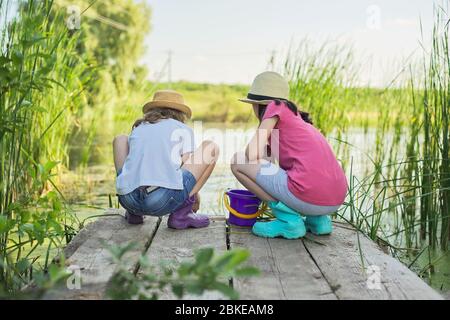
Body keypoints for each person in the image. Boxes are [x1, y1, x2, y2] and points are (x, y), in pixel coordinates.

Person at [230, 71, 347, 239]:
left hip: (308, 196)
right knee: (300, 175)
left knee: (237, 161)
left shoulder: (275, 107)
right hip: (335, 198)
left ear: (259, 105)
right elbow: (269, 163)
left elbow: (251, 154)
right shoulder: (295, 120)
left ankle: (288, 221)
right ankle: (318, 221)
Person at [113, 90, 219, 228]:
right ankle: (182, 214)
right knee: (211, 147)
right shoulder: (182, 129)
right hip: (159, 201)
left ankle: (134, 214)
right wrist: (194, 199)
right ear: (181, 114)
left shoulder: (139, 128)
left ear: (152, 110)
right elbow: (188, 166)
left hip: (128, 199)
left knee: (120, 139)